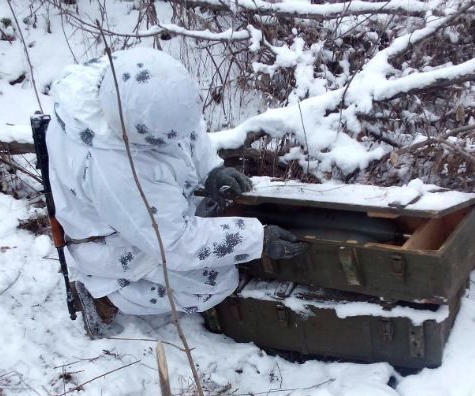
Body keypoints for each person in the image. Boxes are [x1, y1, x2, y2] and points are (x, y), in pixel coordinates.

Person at [46, 47, 305, 322]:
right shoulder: (112, 169)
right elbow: (175, 243)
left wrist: (210, 169)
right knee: (216, 283)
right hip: (115, 241)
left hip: (146, 208)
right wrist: (256, 239)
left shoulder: (136, 79)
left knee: (215, 217)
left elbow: (183, 129)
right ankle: (109, 297)